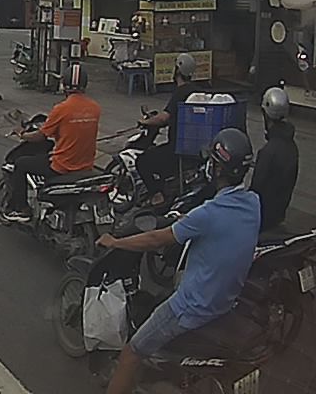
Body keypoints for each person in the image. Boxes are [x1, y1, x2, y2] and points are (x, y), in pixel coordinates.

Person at [96, 128, 260, 394]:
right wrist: (188, 222)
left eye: (211, 161)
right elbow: (219, 227)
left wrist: (115, 242)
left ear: (217, 169)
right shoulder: (253, 203)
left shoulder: (208, 214)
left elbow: (155, 239)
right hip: (225, 301)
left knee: (130, 354)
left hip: (191, 307)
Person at [7, 62, 101, 221]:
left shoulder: (61, 109)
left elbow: (40, 136)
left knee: (21, 164)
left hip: (62, 166)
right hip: (86, 165)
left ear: (65, 85)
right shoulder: (95, 108)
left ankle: (22, 209)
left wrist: (22, 134)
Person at [135, 52, 200, 204]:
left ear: (177, 71)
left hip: (177, 149)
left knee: (142, 161)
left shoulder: (180, 92)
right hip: (194, 148)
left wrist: (146, 122)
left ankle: (157, 196)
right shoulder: (196, 91)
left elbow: (164, 117)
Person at [251, 87, 299, 231]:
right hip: (279, 214)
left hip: (262, 218)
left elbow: (255, 190)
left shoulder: (268, 152)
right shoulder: (291, 146)